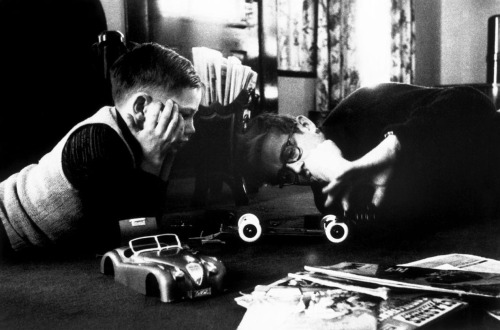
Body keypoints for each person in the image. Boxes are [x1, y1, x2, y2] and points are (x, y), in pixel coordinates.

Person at [0, 43, 203, 255]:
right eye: (184, 114)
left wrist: (164, 155)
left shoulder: (135, 136)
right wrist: (153, 159)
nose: (192, 128)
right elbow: (132, 236)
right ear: (141, 107)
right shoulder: (97, 145)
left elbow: (151, 219)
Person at [237, 83, 500, 232]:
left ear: (305, 125)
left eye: (290, 152)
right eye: (286, 176)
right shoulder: (327, 199)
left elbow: (472, 102)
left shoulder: (363, 103)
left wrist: (392, 149)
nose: (298, 169)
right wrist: (342, 171)